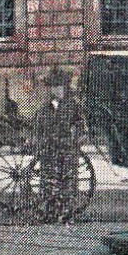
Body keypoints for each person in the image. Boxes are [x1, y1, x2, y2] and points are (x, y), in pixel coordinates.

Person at [34, 67, 85, 223]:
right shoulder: (45, 108)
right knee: (48, 182)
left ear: (65, 86)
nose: (56, 90)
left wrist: (74, 141)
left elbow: (82, 127)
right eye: (53, 86)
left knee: (67, 183)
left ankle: (66, 213)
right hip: (49, 150)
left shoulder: (72, 106)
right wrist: (38, 141)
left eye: (59, 86)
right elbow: (37, 128)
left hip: (67, 150)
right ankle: (48, 212)